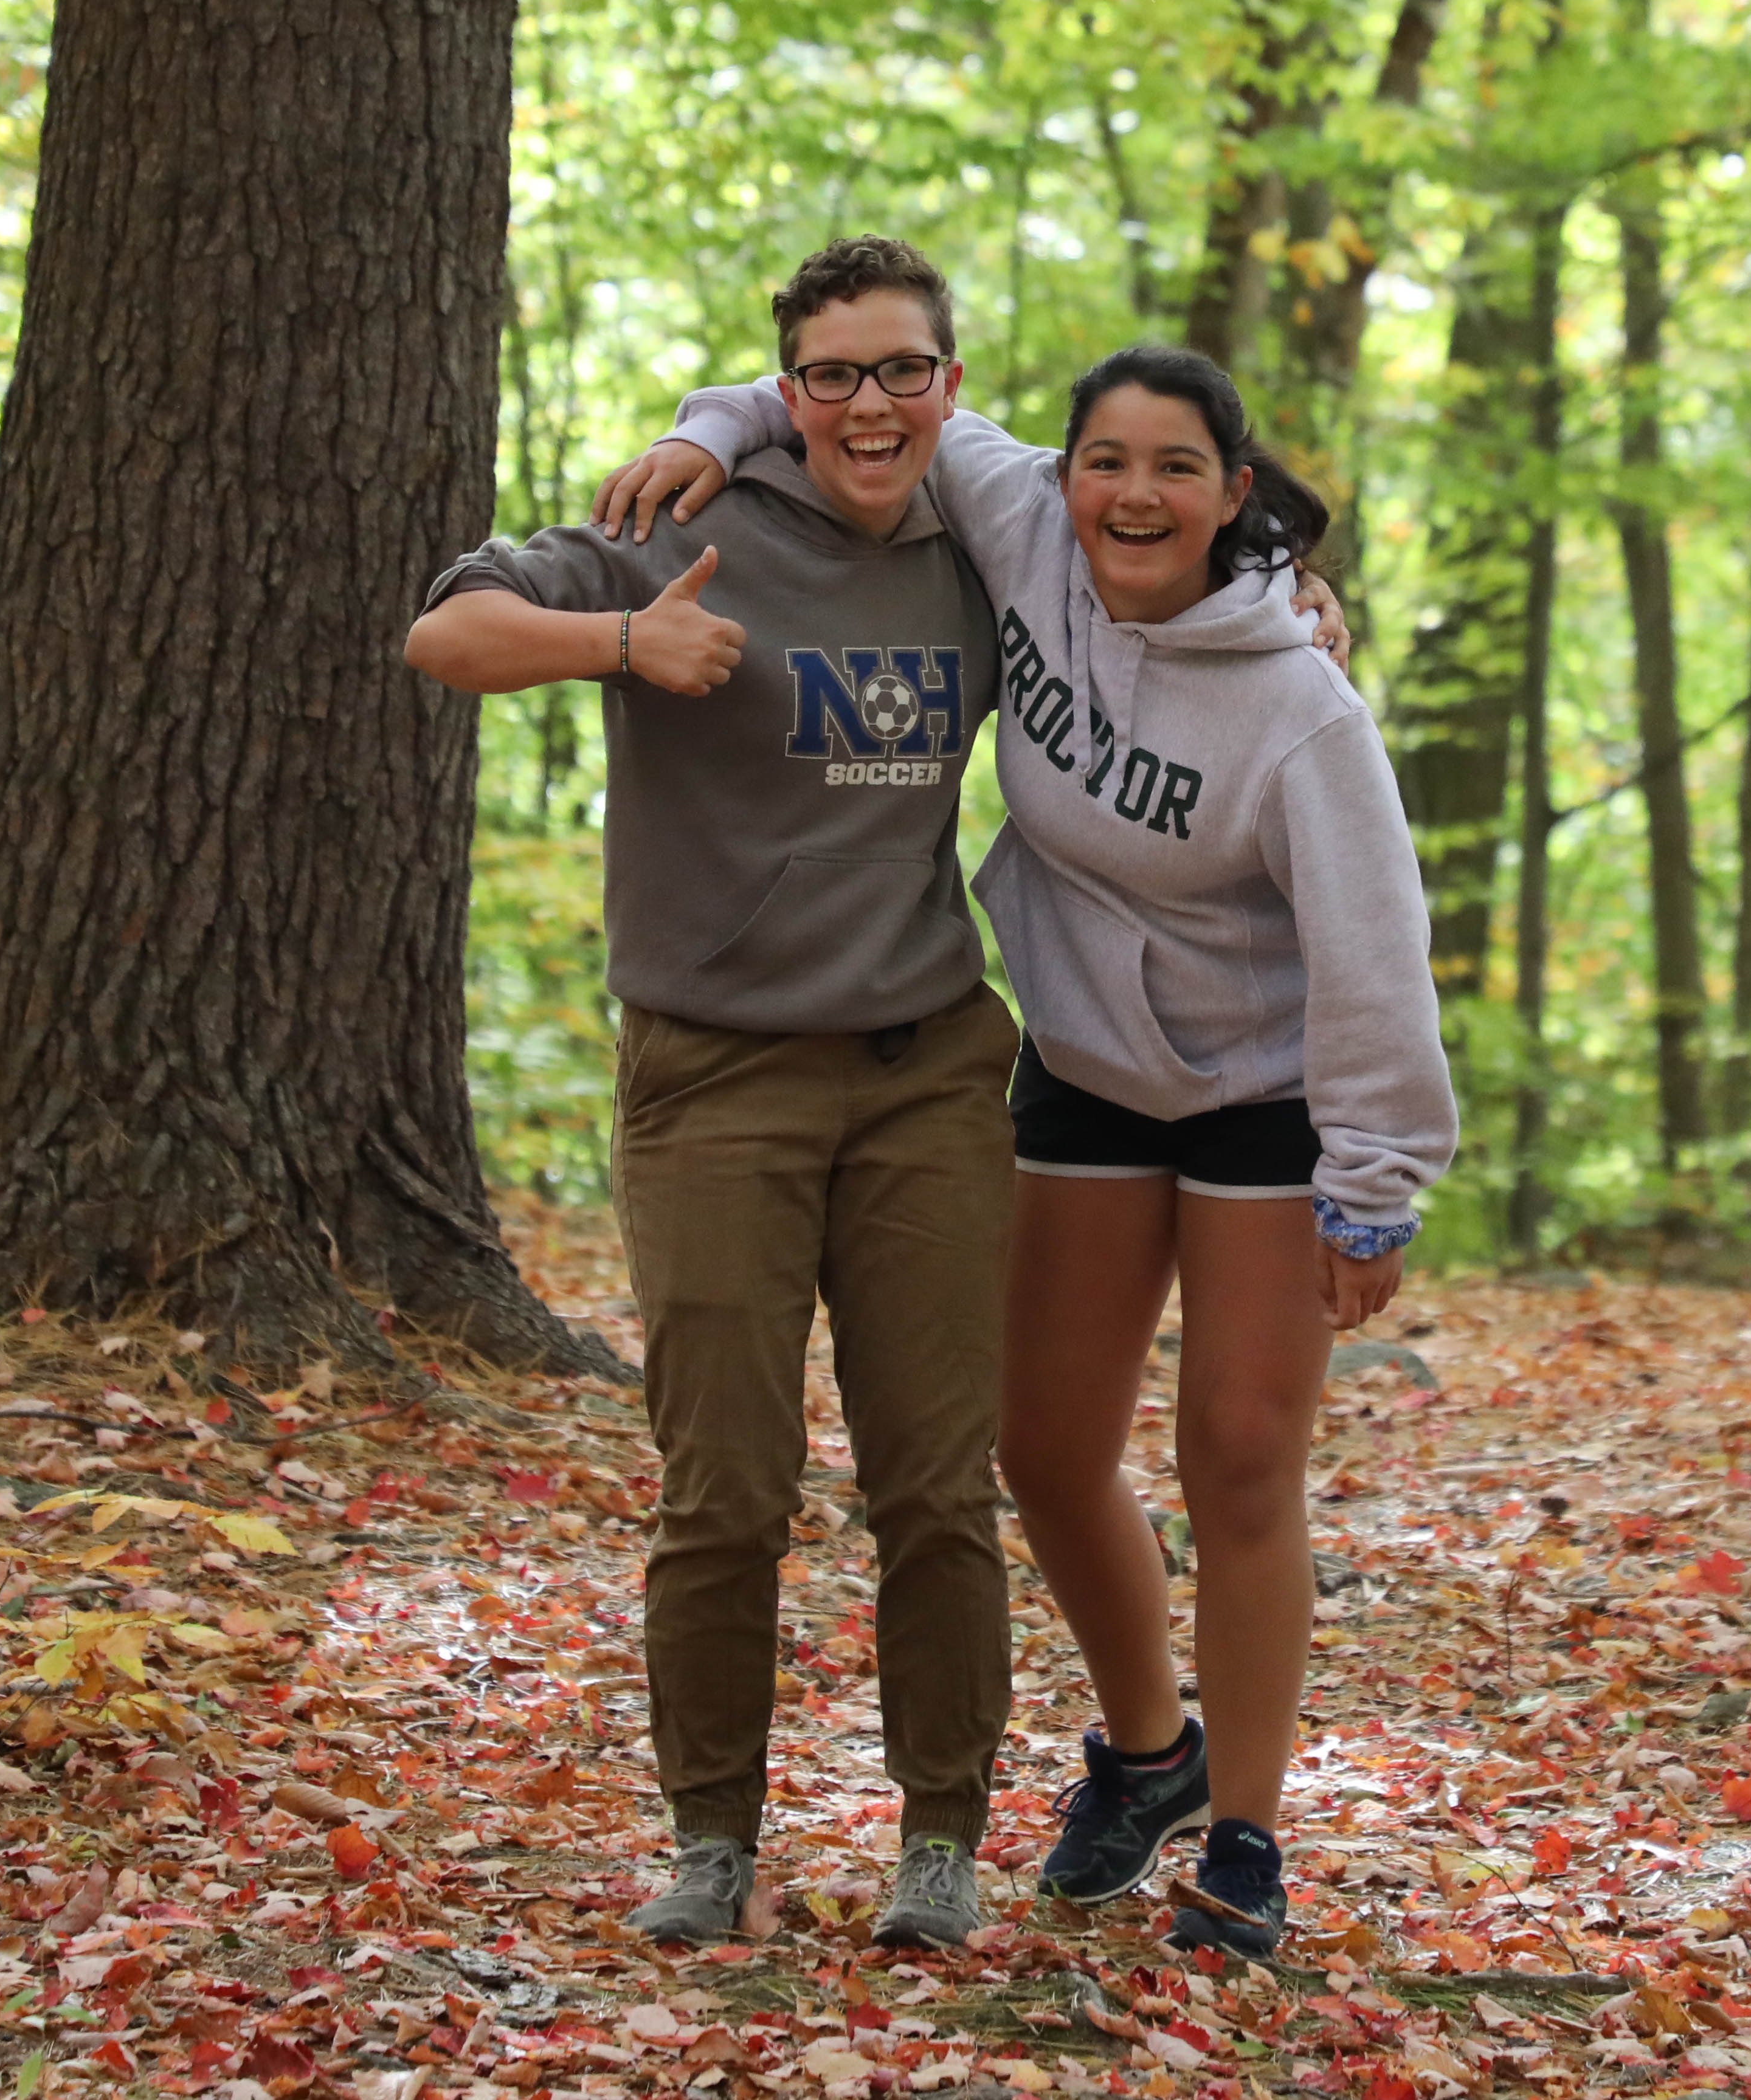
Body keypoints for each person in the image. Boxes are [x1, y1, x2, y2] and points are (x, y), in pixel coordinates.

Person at [408, 236, 1341, 1952]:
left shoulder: (989, 546)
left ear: (948, 389)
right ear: (788, 387)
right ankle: (709, 1837)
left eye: (901, 371)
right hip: (713, 1076)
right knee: (725, 1486)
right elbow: (444, 633)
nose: (868, 404)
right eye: (830, 374)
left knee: (937, 1481)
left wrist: (1283, 594)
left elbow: (1164, 546)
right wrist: (619, 643)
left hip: (926, 1072)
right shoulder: (684, 517)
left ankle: (940, 1839)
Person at [607, 344, 1456, 1960]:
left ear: (1236, 497)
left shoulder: (1297, 704)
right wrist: (699, 432)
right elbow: (867, 398)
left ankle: (1249, 1842)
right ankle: (1148, 1757)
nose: (1133, 494)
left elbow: (1373, 956)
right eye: (1106, 462)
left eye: (1176, 470)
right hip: (1087, 1067)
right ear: (1062, 476)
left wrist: (1373, 1182)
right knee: (1045, 1450)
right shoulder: (1024, 535)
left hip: (1271, 1093)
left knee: (1237, 1457)